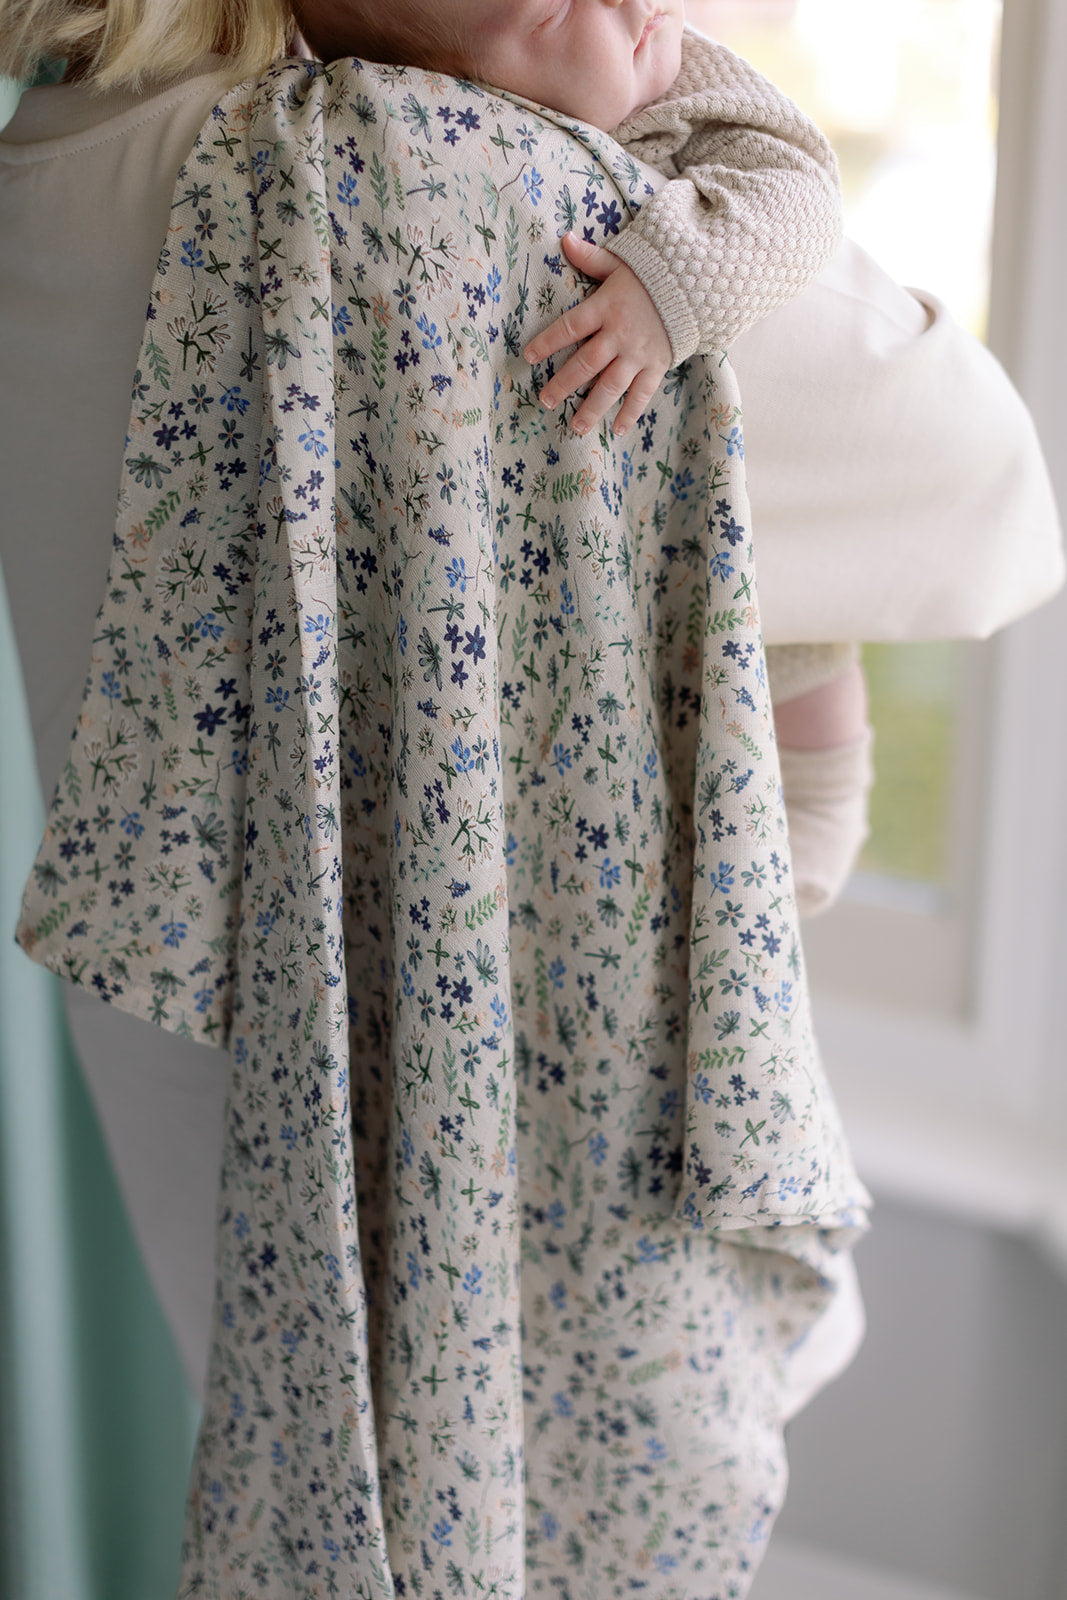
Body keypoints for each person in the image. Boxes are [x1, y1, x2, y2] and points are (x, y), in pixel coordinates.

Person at [0, 4, 1061, 1597]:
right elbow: (983, 490)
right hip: (559, 1181)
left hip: (228, 1181)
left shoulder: (48, 158)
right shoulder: (447, 189)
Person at [292, 0, 874, 914]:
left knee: (803, 666)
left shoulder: (687, 84)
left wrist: (666, 286)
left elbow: (798, 188)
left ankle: (810, 850)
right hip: (604, 549)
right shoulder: (425, 146)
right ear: (451, 89)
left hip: (751, 507)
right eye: (558, 8)